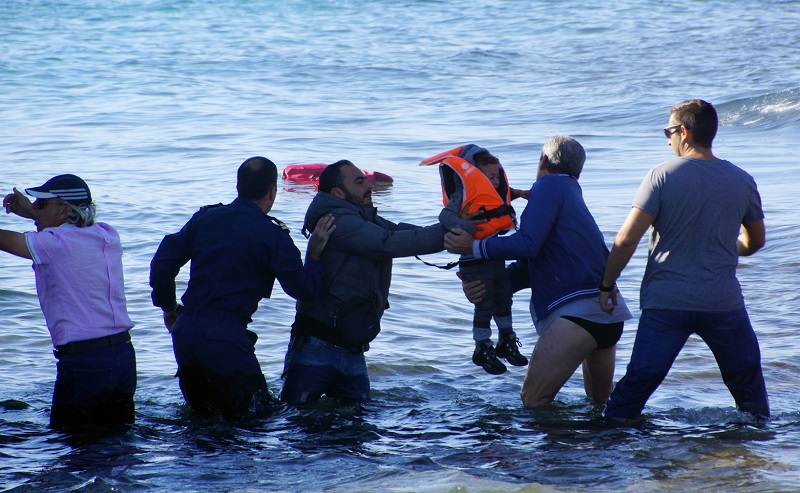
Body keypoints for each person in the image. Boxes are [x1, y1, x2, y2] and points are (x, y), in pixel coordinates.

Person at [598, 99, 769, 420]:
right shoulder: (742, 179)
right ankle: (758, 454)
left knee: (639, 381)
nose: (667, 139)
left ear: (684, 132)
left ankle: (608, 447)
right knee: (748, 387)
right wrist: (732, 247)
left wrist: (606, 285)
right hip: (723, 305)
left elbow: (626, 239)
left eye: (669, 131)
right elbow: (756, 241)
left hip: (667, 304)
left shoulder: (661, 176)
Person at [445, 135, 633, 408]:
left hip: (577, 316)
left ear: (543, 160)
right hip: (609, 315)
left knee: (533, 401)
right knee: (600, 404)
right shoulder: (570, 192)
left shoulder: (547, 186)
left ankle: (555, 452)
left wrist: (473, 246)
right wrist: (487, 288)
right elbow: (532, 267)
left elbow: (527, 245)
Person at [149, 156, 335, 420]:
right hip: (226, 337)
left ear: (238, 186)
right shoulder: (272, 235)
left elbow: (163, 263)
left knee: (201, 419)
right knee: (258, 417)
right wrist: (314, 255)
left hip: (186, 332)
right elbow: (305, 290)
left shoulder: (205, 218)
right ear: (273, 192)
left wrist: (168, 307)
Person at [279, 159, 445, 405]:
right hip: (318, 347)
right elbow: (386, 243)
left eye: (366, 179)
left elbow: (404, 233)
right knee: (298, 426)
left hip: (351, 348)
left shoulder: (363, 218)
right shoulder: (336, 220)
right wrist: (453, 230)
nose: (369, 184)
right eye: (359, 182)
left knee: (355, 434)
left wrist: (460, 230)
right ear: (338, 193)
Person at [1, 174, 136, 429]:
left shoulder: (54, 244)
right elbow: (72, 228)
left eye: (41, 204)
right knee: (119, 445)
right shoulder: (107, 234)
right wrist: (33, 213)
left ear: (65, 210)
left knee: (73, 449)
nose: (35, 207)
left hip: (85, 362)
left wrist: (34, 215)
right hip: (123, 357)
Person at [429, 144, 529, 374]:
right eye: (490, 176)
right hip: (472, 260)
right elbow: (445, 215)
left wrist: (518, 193)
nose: (495, 181)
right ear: (475, 175)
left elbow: (499, 198)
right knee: (484, 304)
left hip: (493, 257)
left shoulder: (494, 189)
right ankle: (482, 347)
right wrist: (468, 227)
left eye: (497, 176)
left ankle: (507, 341)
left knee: (504, 299)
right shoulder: (463, 193)